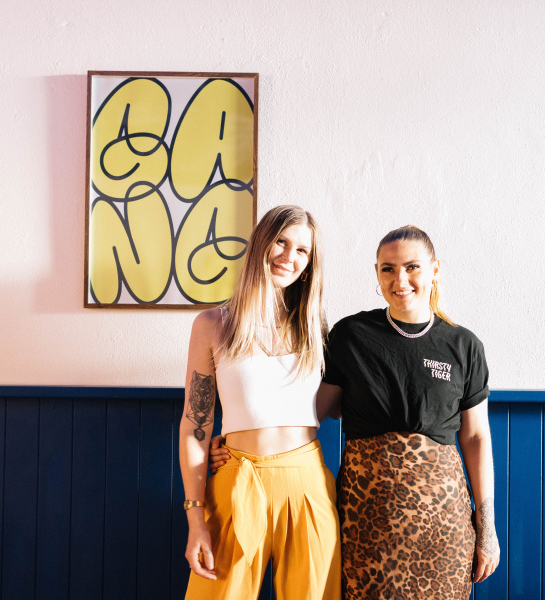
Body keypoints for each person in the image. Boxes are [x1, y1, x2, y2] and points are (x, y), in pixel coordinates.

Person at [211, 224, 499, 599]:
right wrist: (235, 441)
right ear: (377, 273)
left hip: (443, 521)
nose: (400, 280)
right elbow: (307, 411)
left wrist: (486, 527)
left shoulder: (464, 345)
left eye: (412, 267)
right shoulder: (351, 335)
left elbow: (475, 437)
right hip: (366, 517)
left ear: (434, 269)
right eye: (388, 269)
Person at [179, 205, 340, 600]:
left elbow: (328, 405)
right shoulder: (213, 325)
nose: (289, 256)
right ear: (260, 244)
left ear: (310, 263)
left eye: (302, 250)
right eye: (281, 242)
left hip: (307, 483)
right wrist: (195, 518)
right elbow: (195, 424)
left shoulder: (316, 328)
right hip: (237, 479)